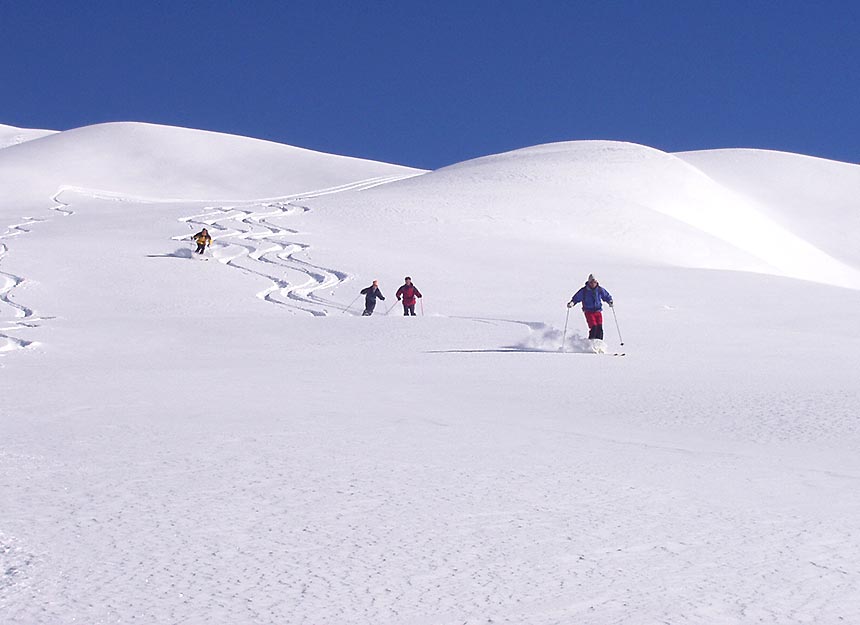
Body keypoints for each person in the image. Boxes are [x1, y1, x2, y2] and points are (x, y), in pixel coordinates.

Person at [567, 274, 613, 340]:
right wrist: (572, 303)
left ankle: (599, 343)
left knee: (599, 328)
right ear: (589, 282)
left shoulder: (599, 289)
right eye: (591, 282)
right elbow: (577, 298)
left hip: (598, 311)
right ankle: (591, 342)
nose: (593, 284)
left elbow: (606, 296)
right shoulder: (584, 290)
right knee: (593, 327)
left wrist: (610, 301)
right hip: (589, 312)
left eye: (594, 282)